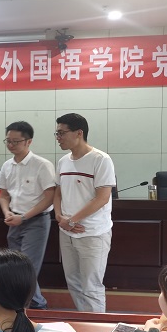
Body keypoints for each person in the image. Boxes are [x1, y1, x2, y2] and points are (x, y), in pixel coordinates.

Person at [53, 113, 115, 312]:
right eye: (57, 133)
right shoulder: (63, 161)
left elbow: (102, 198)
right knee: (74, 283)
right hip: (67, 231)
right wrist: (59, 216)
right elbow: (58, 192)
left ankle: (97, 326)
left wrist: (71, 220)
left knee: (91, 286)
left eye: (62, 133)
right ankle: (83, 320)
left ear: (79, 133)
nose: (58, 138)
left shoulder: (101, 159)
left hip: (92, 233)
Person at [0, 121, 55, 310]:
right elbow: (4, 195)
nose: (11, 145)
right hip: (14, 221)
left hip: (36, 221)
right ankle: (37, 304)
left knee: (26, 268)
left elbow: (50, 198)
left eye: (16, 141)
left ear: (29, 141)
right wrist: (7, 212)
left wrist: (23, 217)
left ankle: (28, 307)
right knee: (17, 267)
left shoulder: (42, 165)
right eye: (8, 141)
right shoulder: (7, 166)